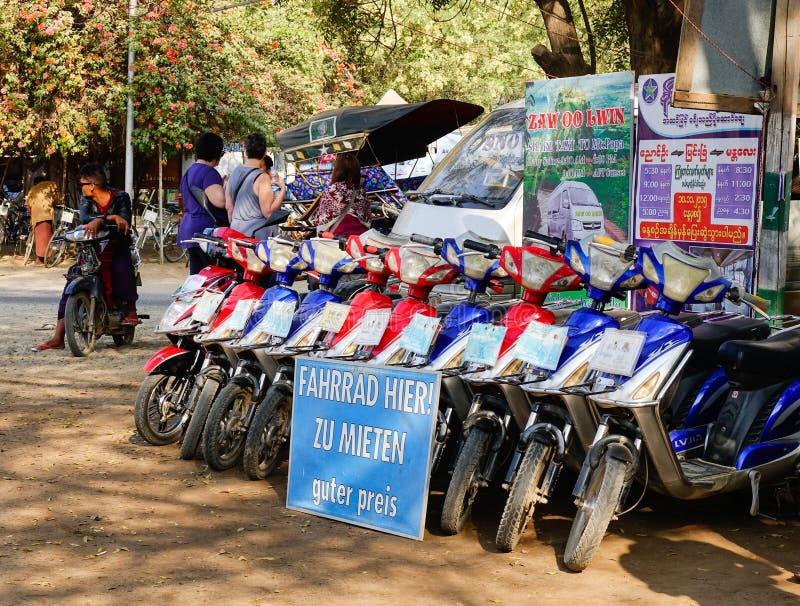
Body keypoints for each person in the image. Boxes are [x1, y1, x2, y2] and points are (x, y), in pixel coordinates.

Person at [33, 163, 139, 351]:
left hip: (117, 244)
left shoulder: (121, 197)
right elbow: (85, 219)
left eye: (82, 183)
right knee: (72, 278)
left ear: (91, 185)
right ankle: (58, 337)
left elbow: (125, 221)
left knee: (122, 268)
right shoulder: (86, 200)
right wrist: (108, 218)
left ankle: (130, 309)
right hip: (92, 247)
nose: (80, 187)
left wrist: (101, 219)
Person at [178, 132, 227, 274]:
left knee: (198, 277)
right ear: (215, 153)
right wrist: (228, 187)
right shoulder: (208, 172)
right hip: (206, 232)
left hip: (189, 229)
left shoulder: (189, 172)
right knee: (213, 278)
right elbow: (220, 201)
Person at [227, 134, 285, 239]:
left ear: (246, 152)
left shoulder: (234, 172)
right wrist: (282, 190)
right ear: (265, 152)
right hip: (256, 237)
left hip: (236, 233)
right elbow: (268, 213)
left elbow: (229, 207)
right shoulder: (262, 177)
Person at [313, 152, 371, 237]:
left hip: (336, 237)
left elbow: (322, 220)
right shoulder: (361, 191)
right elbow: (367, 218)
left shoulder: (332, 190)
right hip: (359, 239)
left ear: (337, 169)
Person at [26, 176, 60, 265]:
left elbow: (27, 204)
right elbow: (57, 199)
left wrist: (31, 212)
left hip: (36, 216)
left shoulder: (33, 189)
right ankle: (44, 258)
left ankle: (40, 258)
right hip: (46, 214)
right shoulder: (51, 186)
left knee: (39, 237)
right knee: (46, 236)